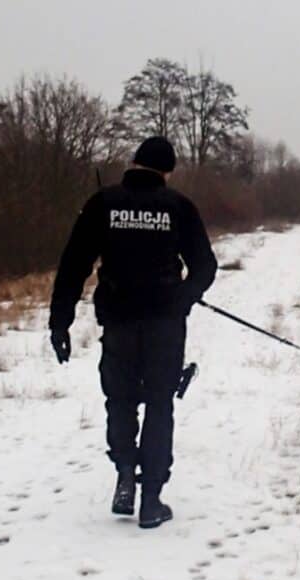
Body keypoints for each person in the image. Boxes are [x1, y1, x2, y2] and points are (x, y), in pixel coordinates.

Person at [48, 137, 217, 529]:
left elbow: (73, 264)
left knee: (120, 400)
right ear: (167, 170)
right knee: (160, 403)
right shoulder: (178, 207)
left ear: (135, 163)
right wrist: (184, 297)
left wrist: (61, 320)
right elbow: (205, 266)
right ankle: (152, 500)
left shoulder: (103, 203)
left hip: (119, 321)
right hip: (164, 324)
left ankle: (125, 474)